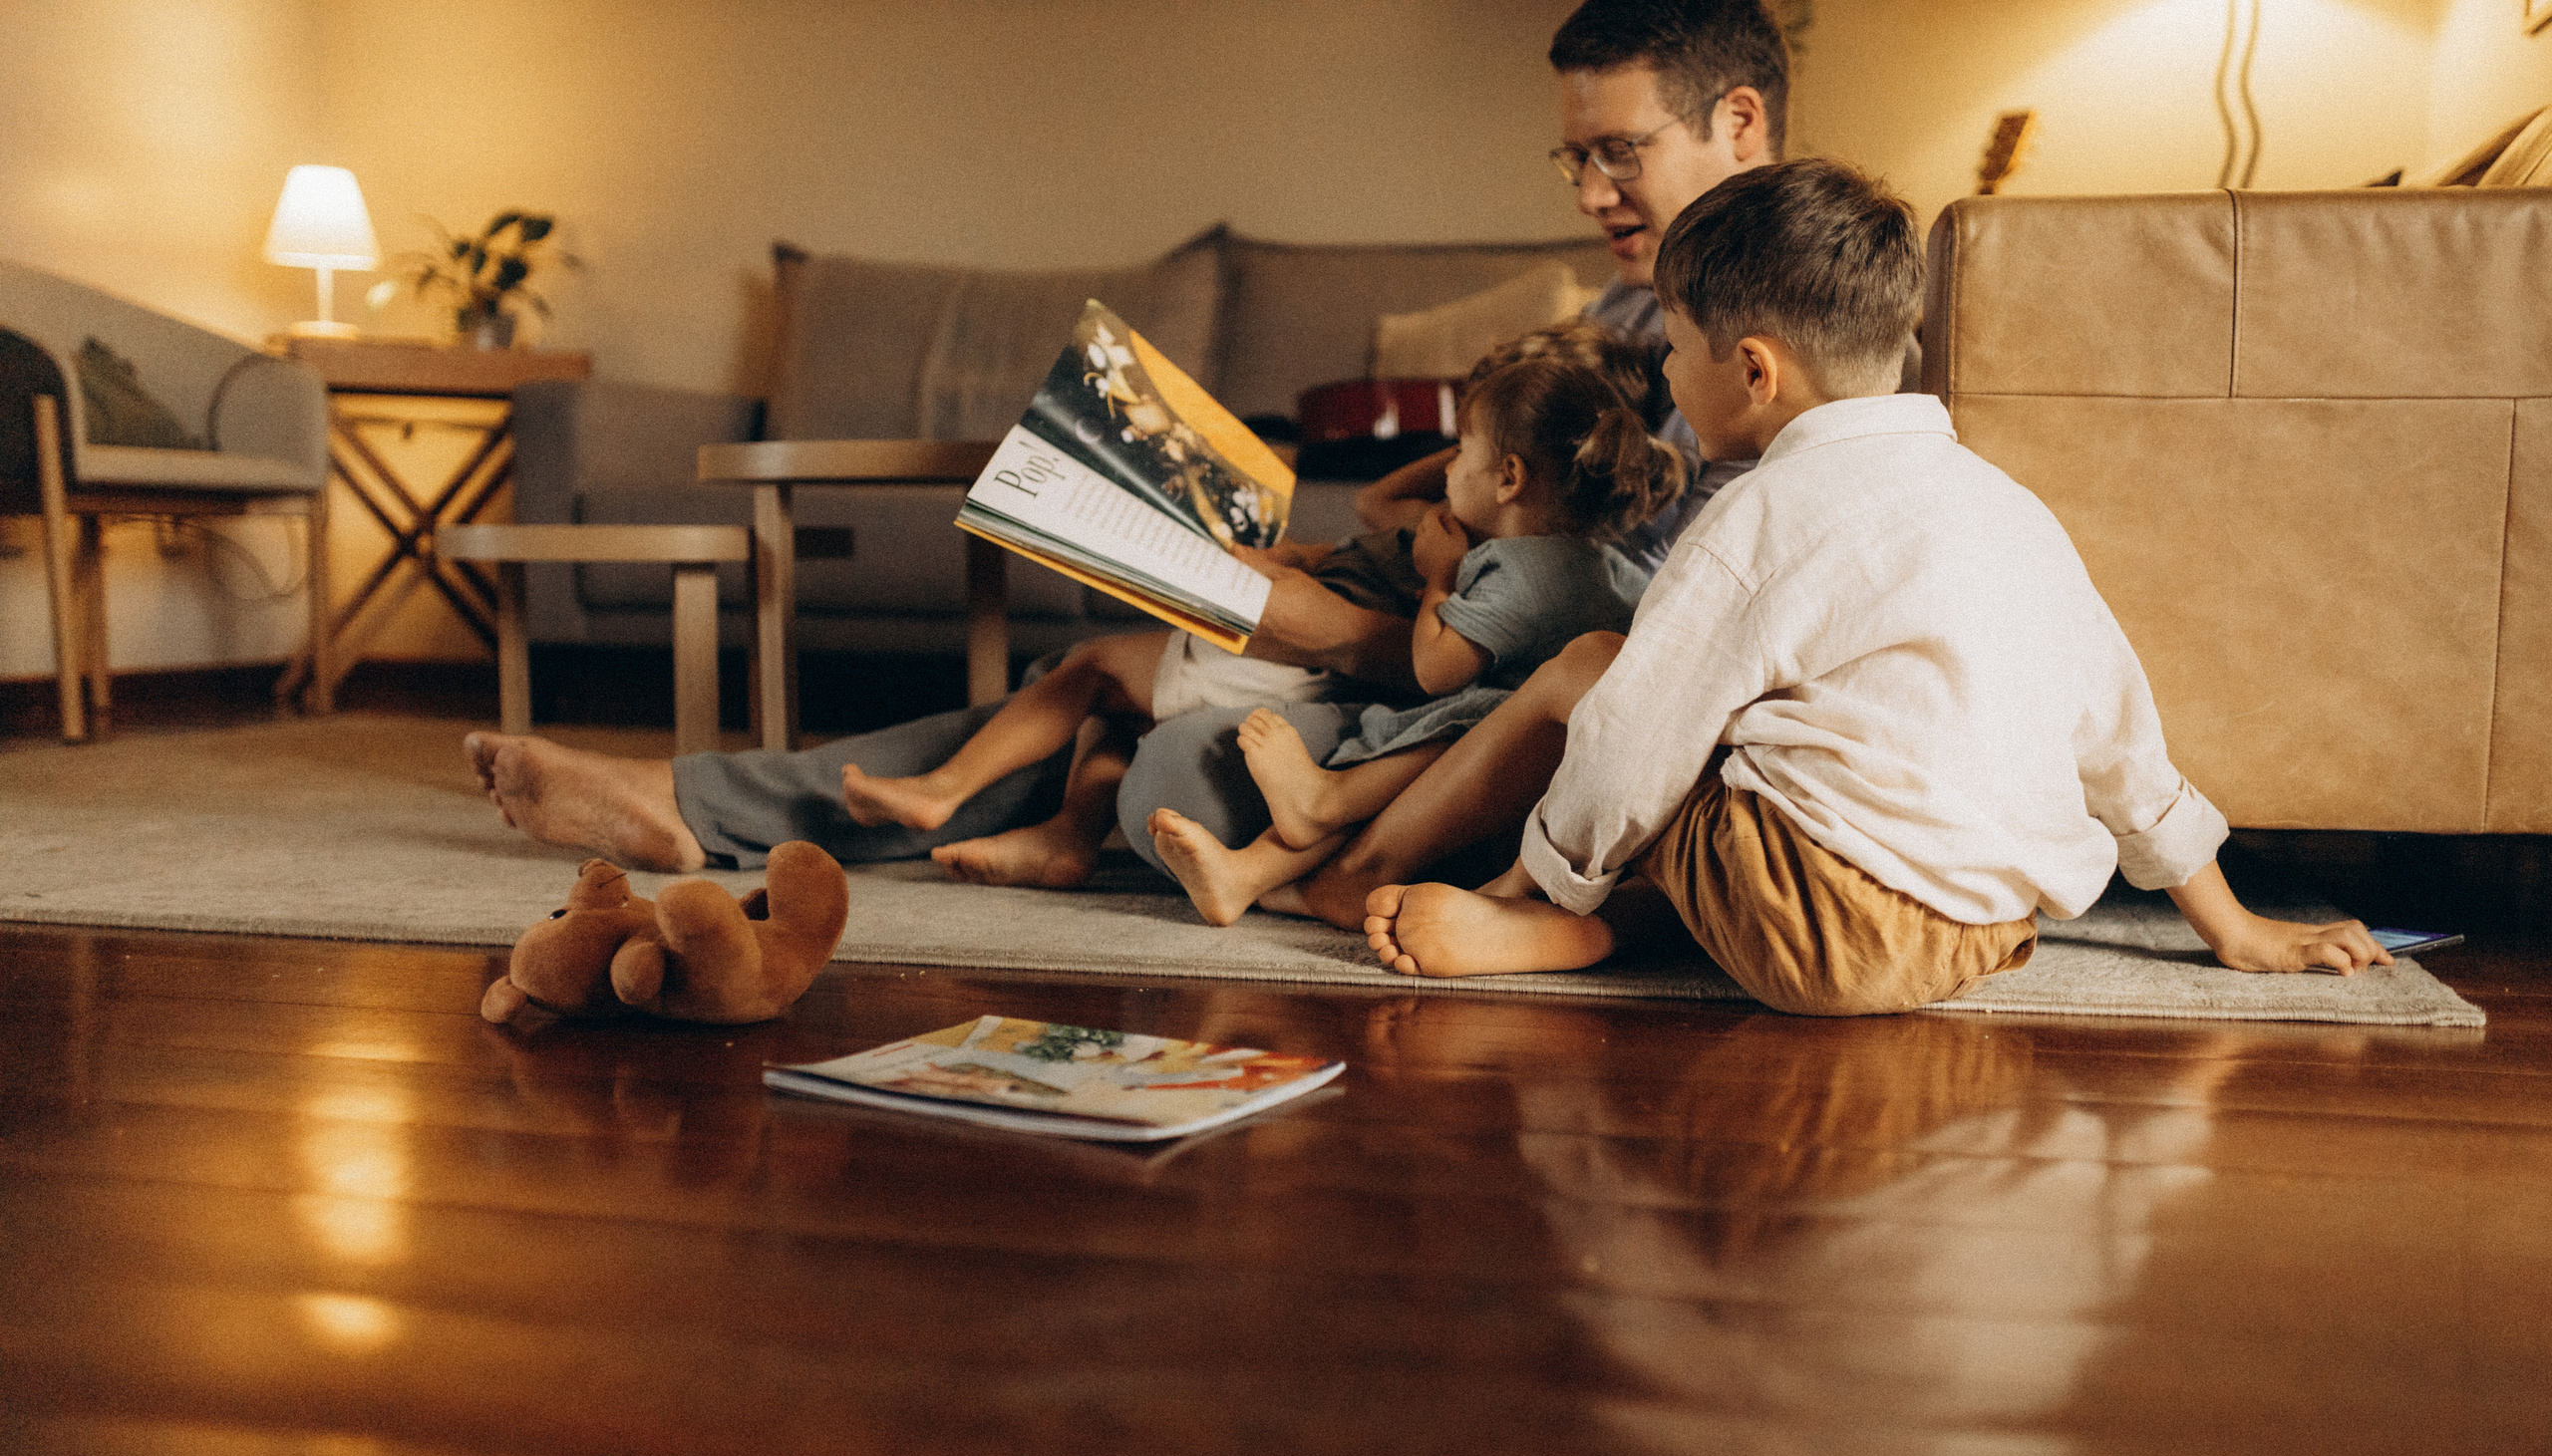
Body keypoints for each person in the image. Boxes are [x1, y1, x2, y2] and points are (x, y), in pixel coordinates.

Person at [466, 0, 1788, 882]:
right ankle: (707, 803)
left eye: (1620, 150)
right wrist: (1359, 554)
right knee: (1115, 662)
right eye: (1573, 161)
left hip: (1494, 706)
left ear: (1739, 121)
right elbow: (1529, 510)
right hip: (1438, 633)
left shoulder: (1783, 335)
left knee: (1163, 745)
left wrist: (1350, 631)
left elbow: (1635, 631)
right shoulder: (1624, 301)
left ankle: (729, 807)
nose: (1591, 190)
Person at [1361, 158, 2392, 1010]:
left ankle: (1546, 930)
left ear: (1754, 371)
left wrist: (1531, 885)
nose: (1666, 379)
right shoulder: (2008, 508)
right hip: (1980, 932)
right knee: (1762, 730)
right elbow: (2119, 738)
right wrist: (2235, 927)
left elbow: (1631, 744)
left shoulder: (1754, 516)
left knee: (1607, 674)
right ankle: (1599, 930)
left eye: (1674, 350)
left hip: (1812, 925)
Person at [1147, 357, 1683, 924]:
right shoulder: (1598, 563)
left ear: (1509, 478)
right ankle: (1249, 872)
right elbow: (1378, 504)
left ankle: (1318, 806)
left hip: (1519, 759)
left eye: (1461, 454)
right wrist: (1480, 452)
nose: (1449, 470)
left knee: (1416, 746)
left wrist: (1439, 577)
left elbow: (1434, 671)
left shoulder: (1516, 572)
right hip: (1541, 753)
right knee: (1413, 754)